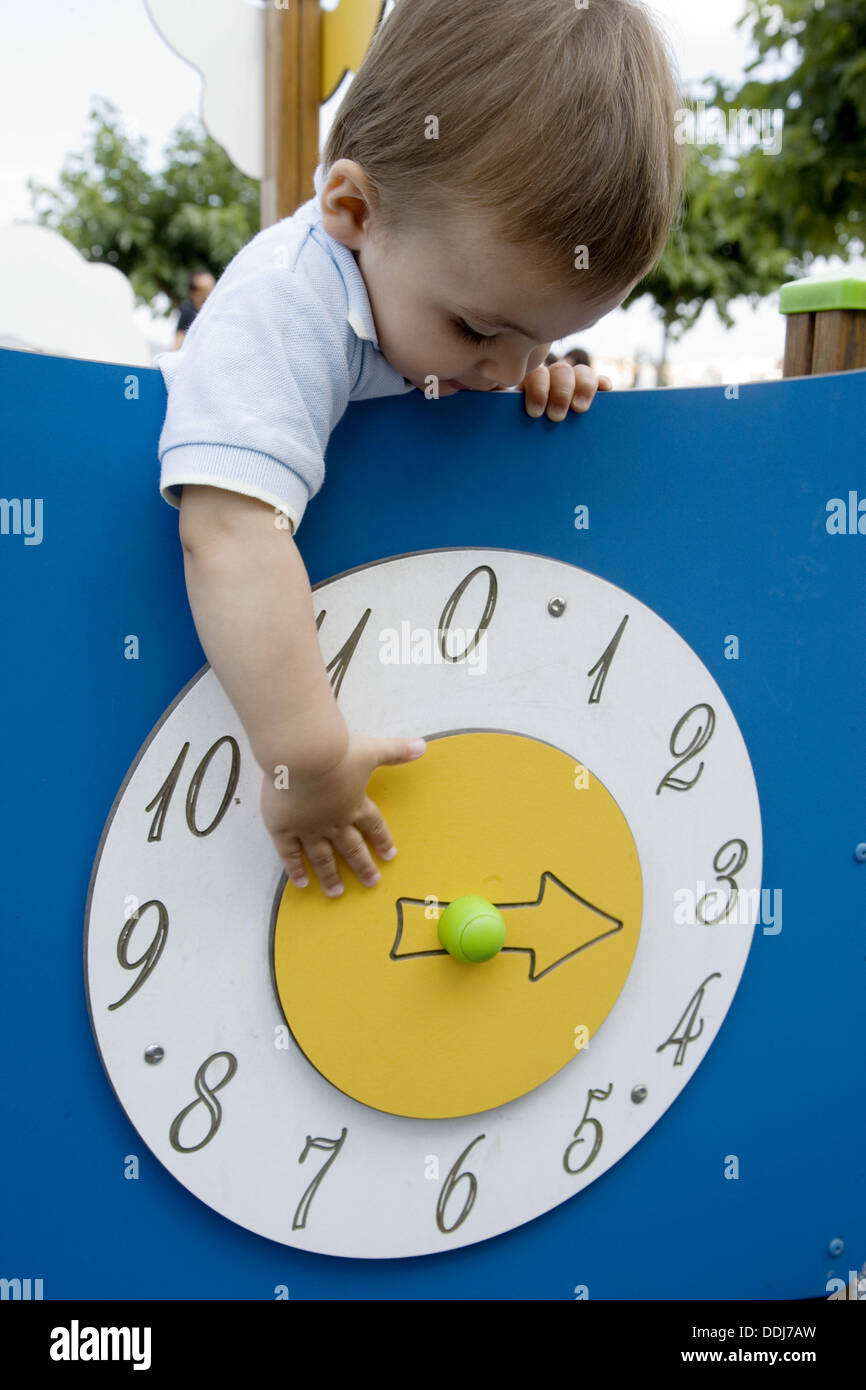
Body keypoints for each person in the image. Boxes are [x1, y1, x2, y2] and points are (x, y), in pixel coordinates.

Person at [153, 0, 683, 898]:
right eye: (481, 328)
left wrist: (537, 374)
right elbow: (230, 531)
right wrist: (304, 756)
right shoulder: (284, 306)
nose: (507, 370)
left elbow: (492, 352)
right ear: (354, 209)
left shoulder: (450, 293)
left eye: (544, 340)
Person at [172, 267, 215, 349]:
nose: (211, 291)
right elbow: (178, 342)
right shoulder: (188, 312)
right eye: (206, 289)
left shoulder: (211, 311)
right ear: (195, 292)